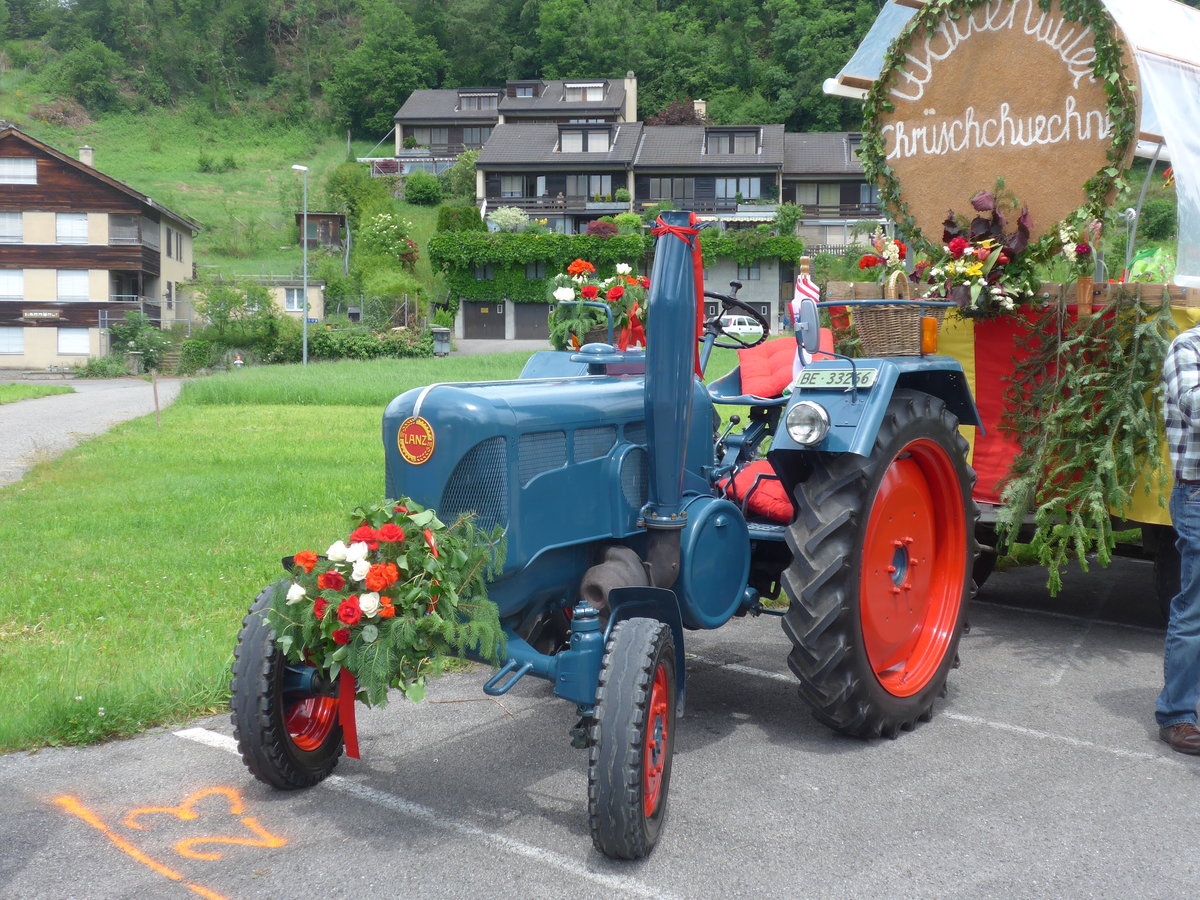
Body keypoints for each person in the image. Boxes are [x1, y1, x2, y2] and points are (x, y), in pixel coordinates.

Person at [1157, 323, 1200, 754]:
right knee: (1196, 609)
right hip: (1197, 492)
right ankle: (1178, 714)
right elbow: (1194, 404)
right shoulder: (1188, 346)